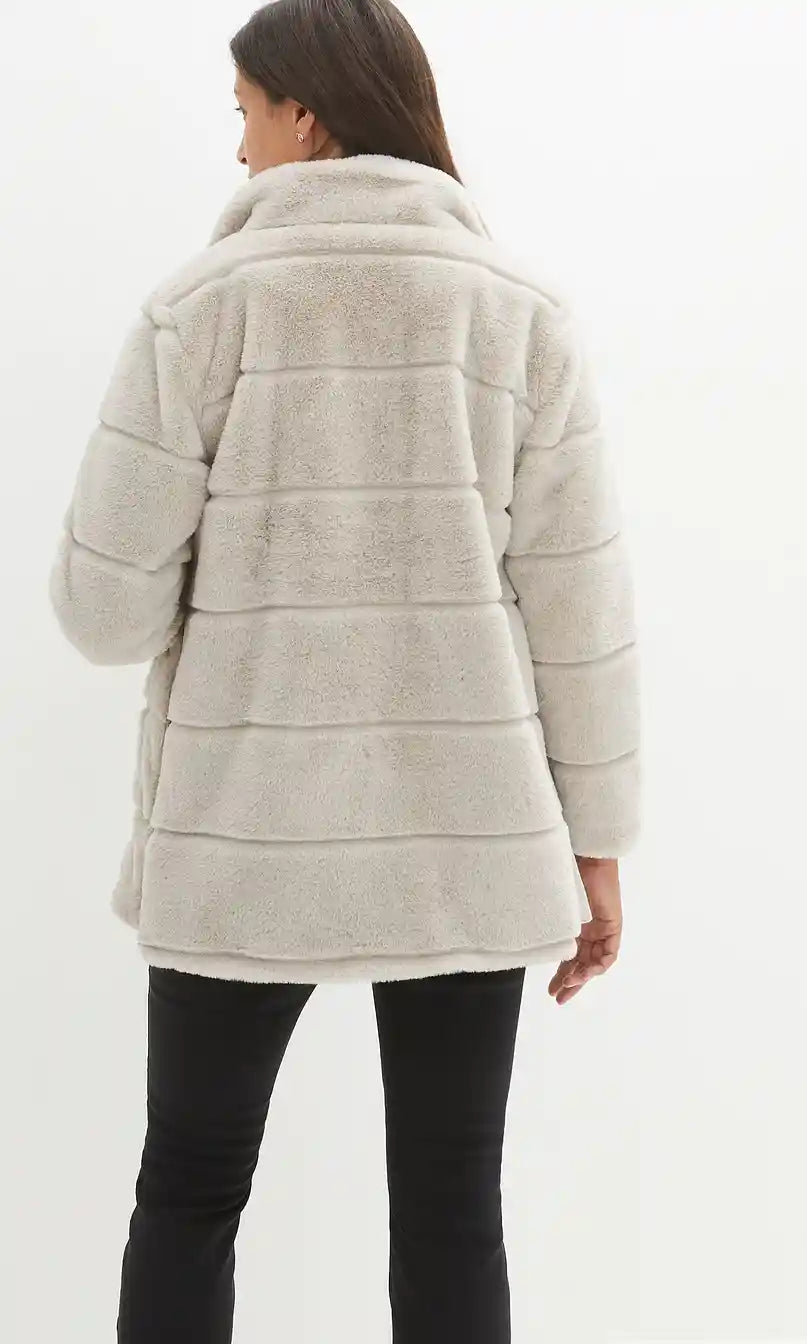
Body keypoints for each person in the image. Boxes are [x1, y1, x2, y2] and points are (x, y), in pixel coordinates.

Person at [47, 1, 641, 1339]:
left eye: (247, 111)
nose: (239, 148)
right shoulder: (521, 316)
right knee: (452, 1206)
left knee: (190, 1189)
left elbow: (102, 612)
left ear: (307, 114)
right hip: (466, 833)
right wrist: (597, 843)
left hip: (242, 834)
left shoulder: (201, 310)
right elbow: (582, 611)